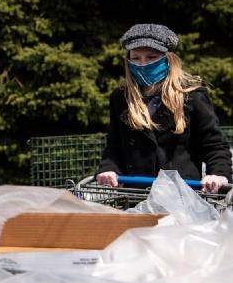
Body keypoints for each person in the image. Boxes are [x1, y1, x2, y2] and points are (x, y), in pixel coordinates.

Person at [96, 23, 231, 192]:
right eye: (136, 58)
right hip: (136, 195)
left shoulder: (192, 97)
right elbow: (114, 145)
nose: (143, 64)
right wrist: (109, 169)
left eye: (151, 57)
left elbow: (214, 145)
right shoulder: (121, 98)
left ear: (169, 59)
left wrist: (218, 174)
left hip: (183, 196)